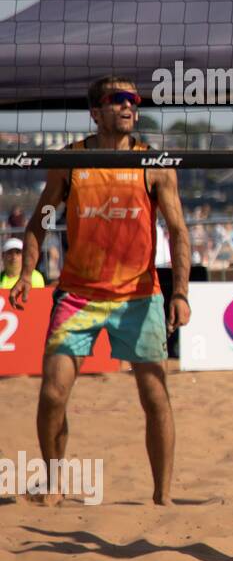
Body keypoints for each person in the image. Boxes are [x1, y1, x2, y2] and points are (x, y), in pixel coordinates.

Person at [7, 75, 191, 505]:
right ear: (95, 111)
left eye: (134, 100)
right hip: (79, 295)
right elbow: (40, 222)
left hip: (139, 295)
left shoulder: (154, 165)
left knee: (155, 394)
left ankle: (162, 497)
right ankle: (53, 483)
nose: (129, 106)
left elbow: (179, 232)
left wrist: (179, 293)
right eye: (118, 99)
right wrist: (24, 274)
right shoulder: (70, 162)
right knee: (53, 392)